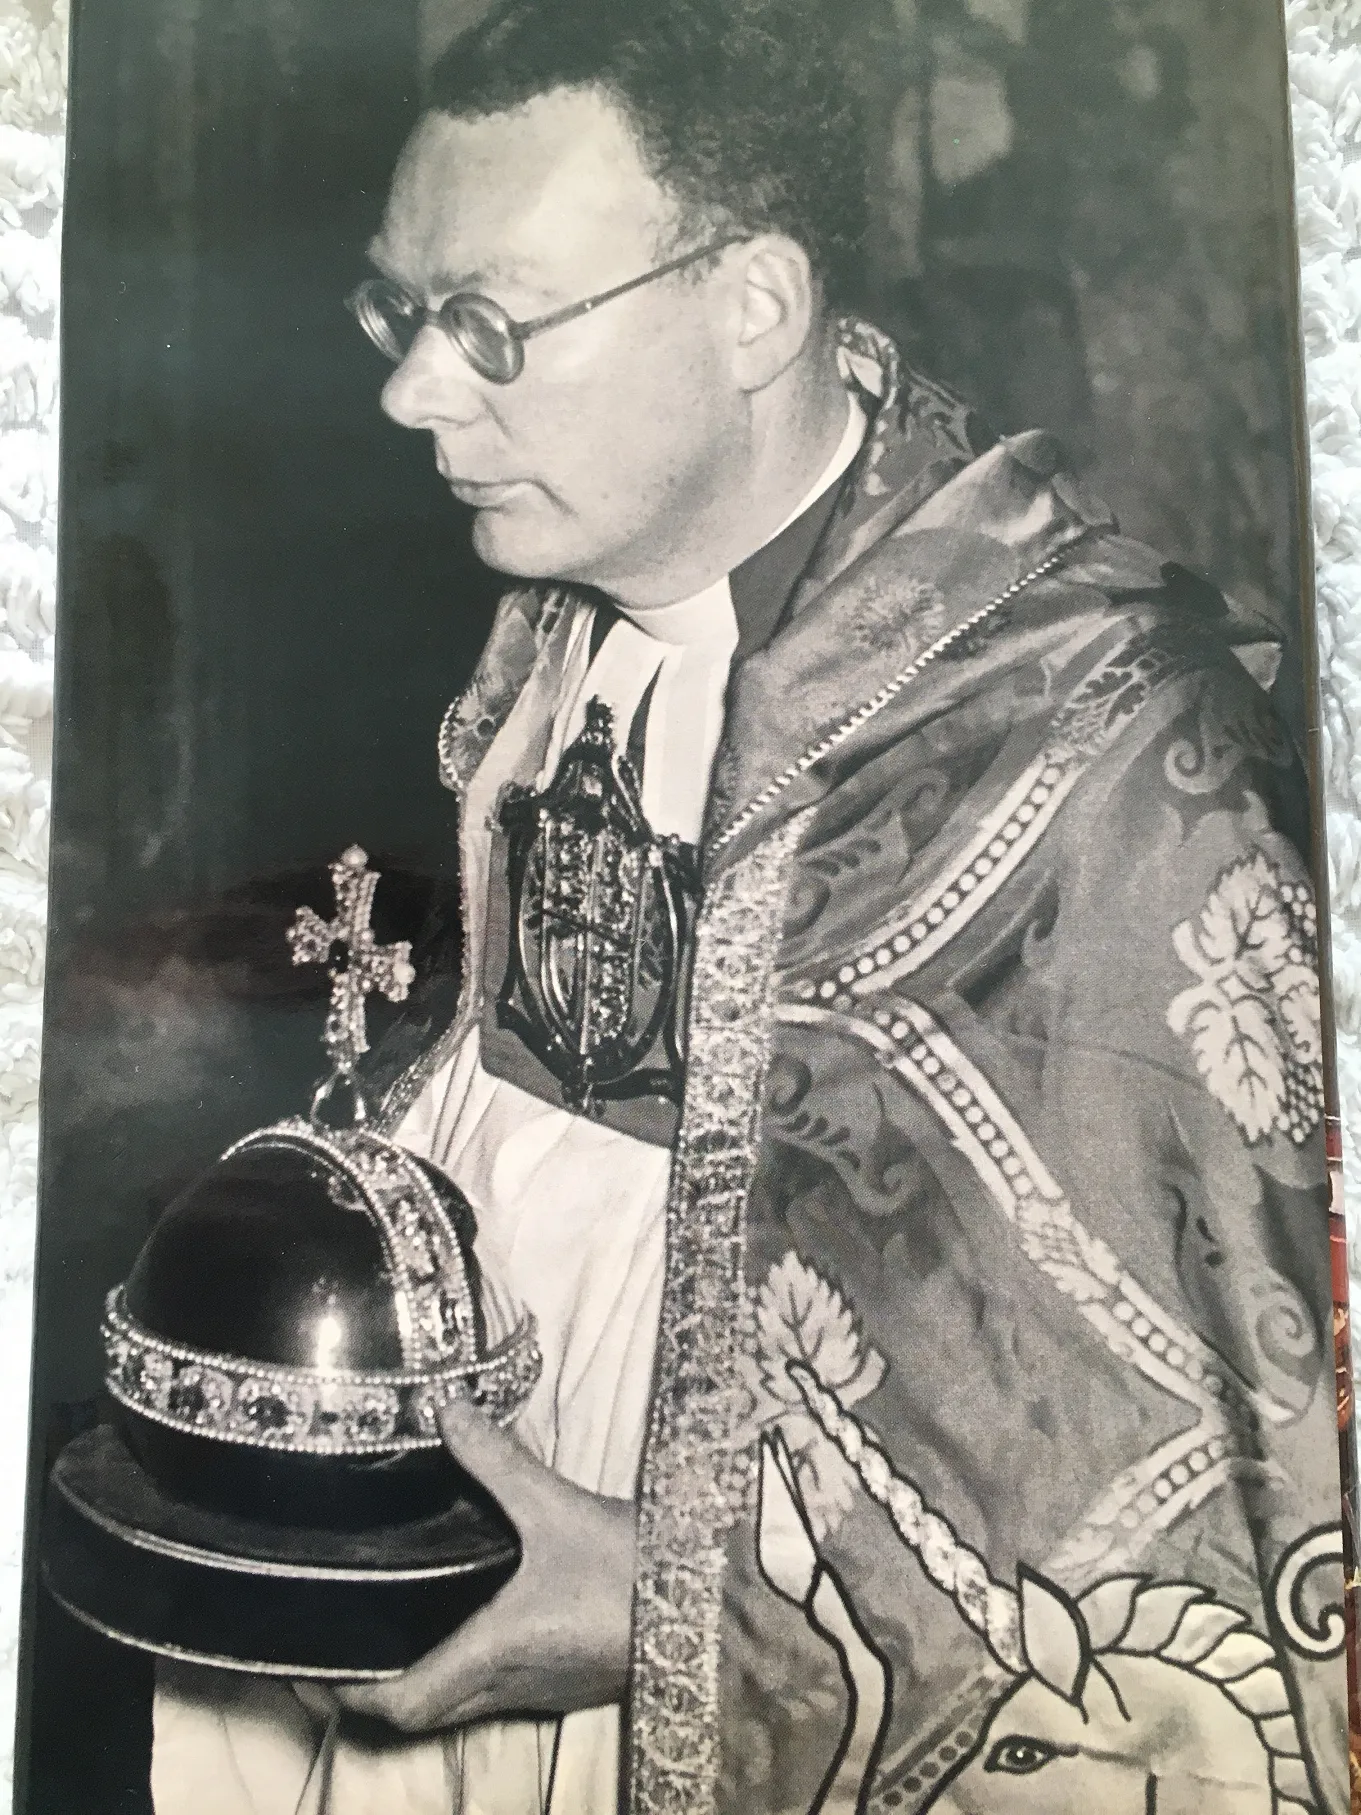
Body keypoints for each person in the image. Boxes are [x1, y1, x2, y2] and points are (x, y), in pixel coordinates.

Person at [150, 0, 1350, 1809]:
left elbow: (1172, 1462)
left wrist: (673, 1595)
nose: (409, 391)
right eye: (400, 312)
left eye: (490, 324)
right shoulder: (571, 576)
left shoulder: (1106, 728)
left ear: (755, 310)